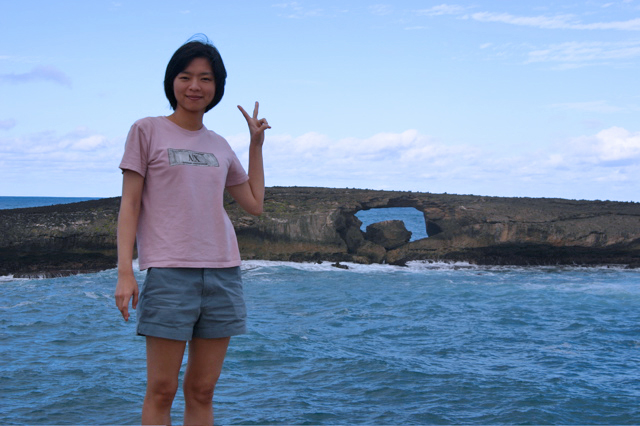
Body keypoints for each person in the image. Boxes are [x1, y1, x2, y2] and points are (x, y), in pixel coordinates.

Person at [114, 37, 270, 425]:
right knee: (161, 390)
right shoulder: (147, 130)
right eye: (185, 77)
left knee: (202, 391)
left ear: (217, 87)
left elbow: (254, 203)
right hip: (170, 273)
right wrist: (125, 272)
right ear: (172, 82)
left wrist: (255, 145)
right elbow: (130, 204)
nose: (195, 86)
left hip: (223, 273)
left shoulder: (220, 145)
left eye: (205, 78)